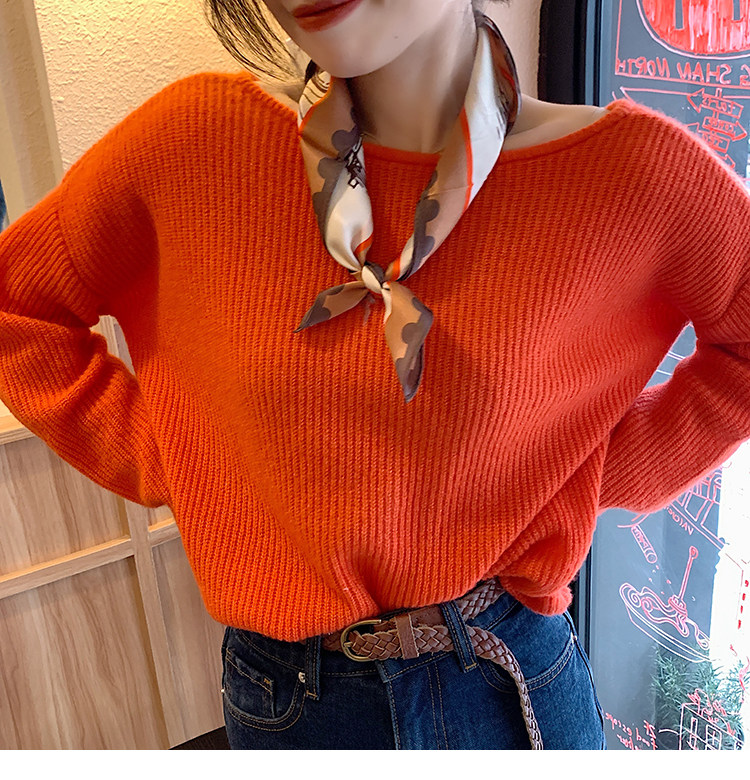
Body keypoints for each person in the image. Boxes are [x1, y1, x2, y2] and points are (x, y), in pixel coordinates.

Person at [1, 0, 749, 750]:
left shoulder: (631, 177)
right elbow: (17, 312)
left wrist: (578, 472)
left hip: (512, 679)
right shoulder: (191, 147)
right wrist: (188, 459)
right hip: (294, 701)